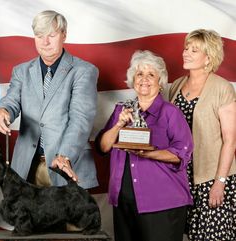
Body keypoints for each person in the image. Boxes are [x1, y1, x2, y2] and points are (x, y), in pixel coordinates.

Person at [96, 50, 193, 241]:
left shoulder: (170, 113)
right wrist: (118, 124)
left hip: (162, 202)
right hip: (123, 201)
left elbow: (182, 154)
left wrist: (149, 154)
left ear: (160, 82)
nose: (144, 79)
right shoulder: (121, 110)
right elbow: (103, 147)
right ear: (133, 79)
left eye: (151, 75)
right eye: (139, 74)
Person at [0, 10, 98, 189]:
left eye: (51, 35)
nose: (45, 42)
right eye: (40, 36)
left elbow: (81, 119)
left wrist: (65, 155)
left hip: (65, 165)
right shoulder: (21, 71)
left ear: (64, 35)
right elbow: (11, 100)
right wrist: (3, 111)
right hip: (27, 168)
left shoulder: (83, 71)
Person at [169, 29, 236, 241]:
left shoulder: (222, 88)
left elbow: (230, 140)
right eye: (186, 48)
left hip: (211, 176)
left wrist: (220, 182)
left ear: (209, 57)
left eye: (194, 50)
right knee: (185, 234)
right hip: (181, 176)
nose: (186, 53)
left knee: (212, 236)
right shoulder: (176, 85)